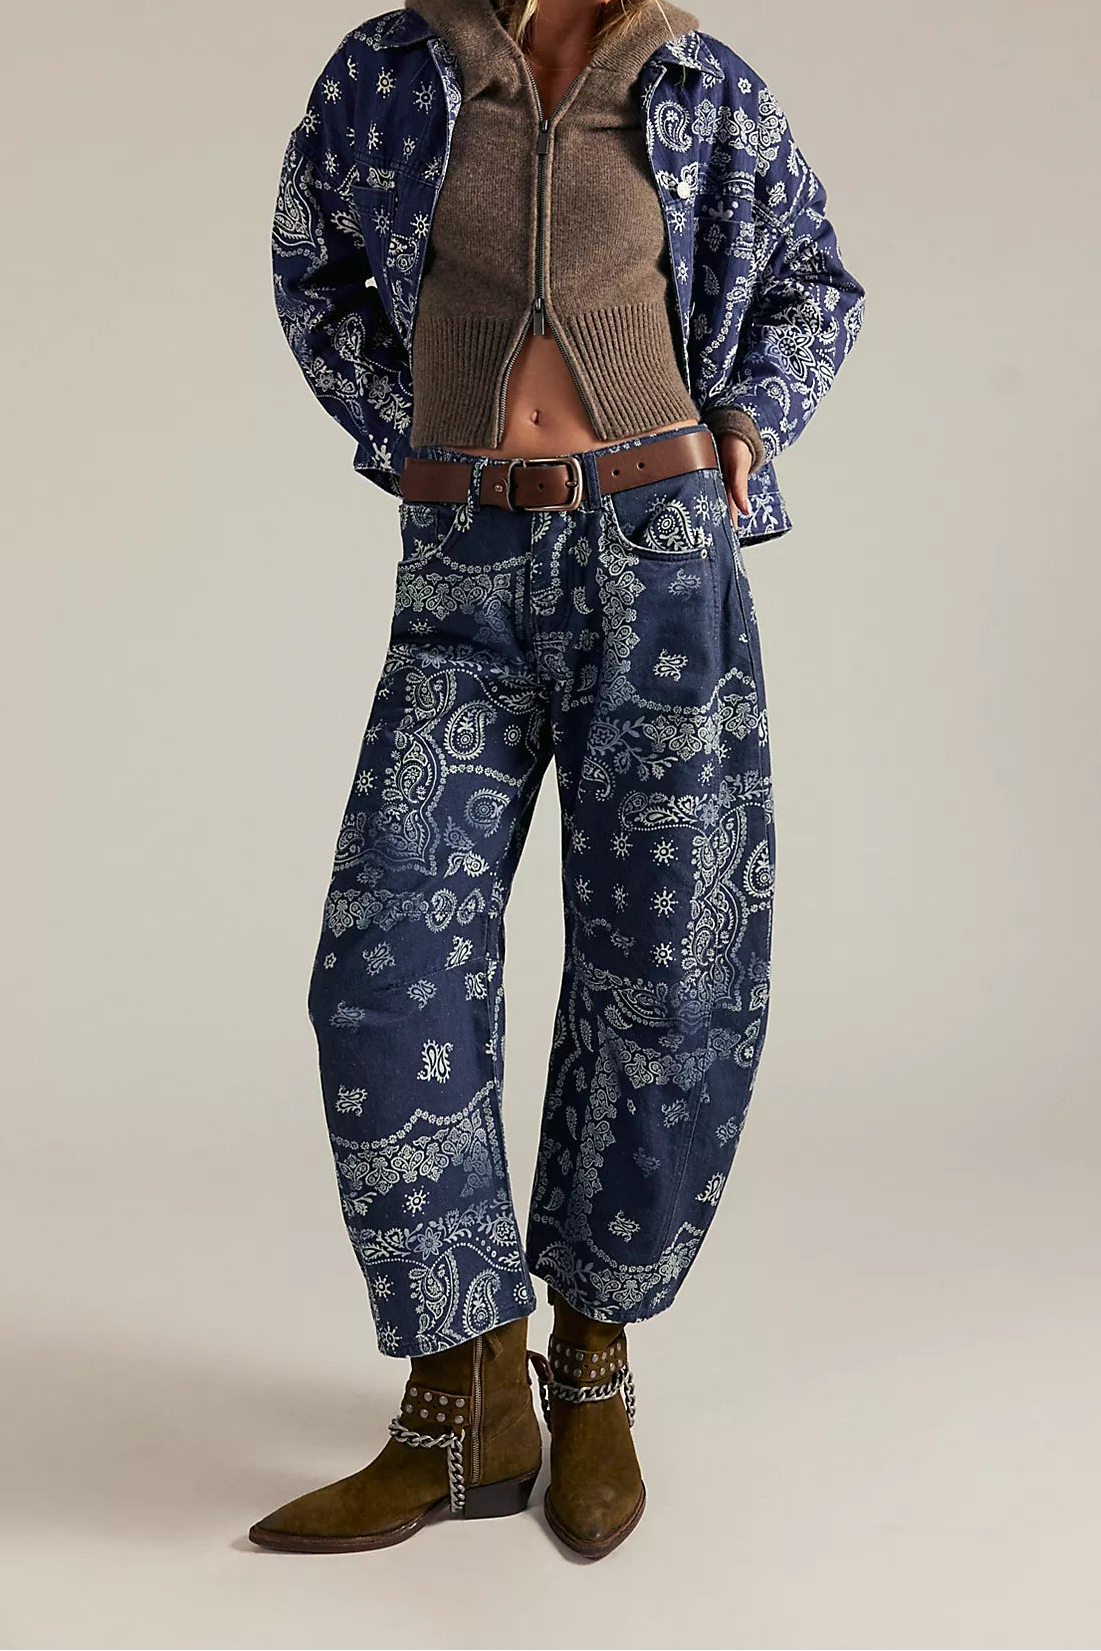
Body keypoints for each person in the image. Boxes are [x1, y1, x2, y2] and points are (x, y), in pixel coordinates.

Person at [253, 0, 864, 1558]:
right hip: (461, 564)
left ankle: (591, 1366)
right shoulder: (394, 71)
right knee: (384, 970)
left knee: (665, 971)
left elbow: (813, 280)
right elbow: (312, 264)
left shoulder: (694, 81)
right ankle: (465, 1405)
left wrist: (748, 423)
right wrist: (406, 427)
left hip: (659, 557)